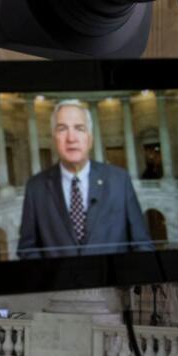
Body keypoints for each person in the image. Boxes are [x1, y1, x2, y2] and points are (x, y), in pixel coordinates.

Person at [17, 99, 154, 258]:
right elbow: (27, 249)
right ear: (54, 138)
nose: (71, 138)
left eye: (79, 128)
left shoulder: (119, 180)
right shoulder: (36, 187)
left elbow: (142, 244)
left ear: (90, 138)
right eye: (62, 129)